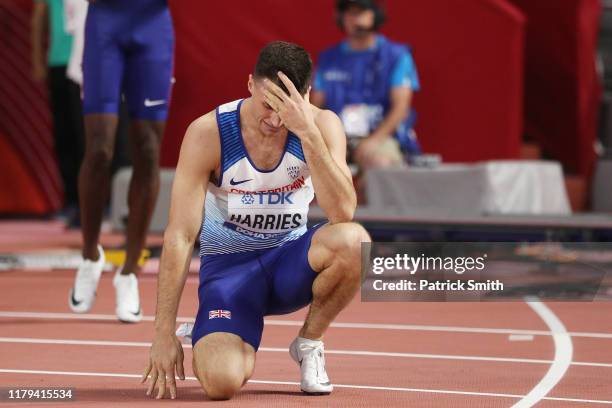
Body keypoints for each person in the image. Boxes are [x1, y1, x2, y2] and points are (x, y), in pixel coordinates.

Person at [141, 41, 371, 400]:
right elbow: (180, 236)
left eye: (286, 108)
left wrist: (307, 133)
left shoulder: (322, 124)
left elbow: (343, 213)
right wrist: (162, 332)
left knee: (355, 240)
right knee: (221, 384)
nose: (275, 120)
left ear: (306, 94)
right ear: (250, 84)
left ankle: (309, 344)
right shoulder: (209, 133)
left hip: (290, 264)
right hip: (230, 274)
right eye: (267, 104)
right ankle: (215, 330)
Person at [68, 0, 175, 323]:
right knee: (100, 148)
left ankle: (129, 271)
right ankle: (90, 255)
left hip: (152, 24)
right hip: (105, 22)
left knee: (147, 148)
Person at [311, 0, 421, 169]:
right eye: (349, 13)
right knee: (313, 161)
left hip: (380, 136)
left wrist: (373, 141)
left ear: (375, 14)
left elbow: (401, 109)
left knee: (379, 163)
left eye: (360, 12)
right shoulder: (328, 59)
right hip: (336, 136)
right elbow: (314, 107)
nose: (354, 19)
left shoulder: (396, 56)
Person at [31, 0, 84, 224]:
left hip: (84, 63)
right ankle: (71, 201)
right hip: (58, 63)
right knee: (63, 136)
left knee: (85, 135)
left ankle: (93, 204)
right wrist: (37, 59)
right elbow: (39, 17)